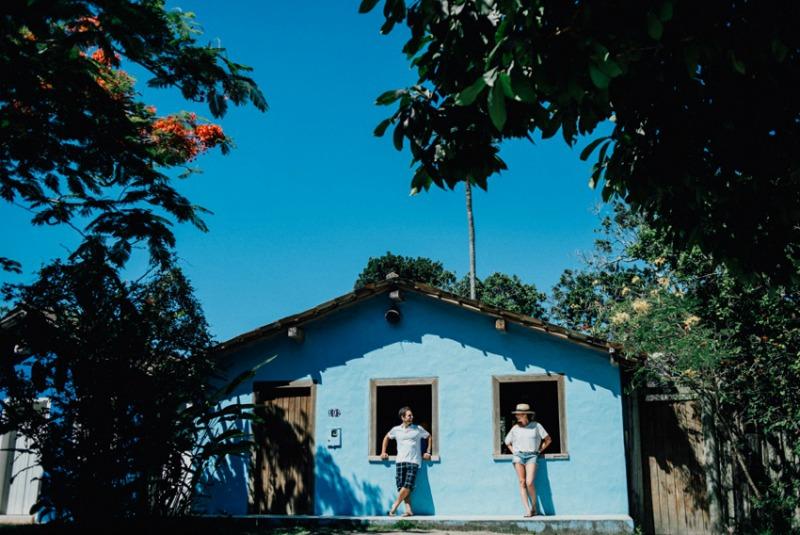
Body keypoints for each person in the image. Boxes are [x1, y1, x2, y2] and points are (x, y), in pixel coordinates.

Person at [380, 406, 432, 516]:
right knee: (402, 486)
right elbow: (386, 438)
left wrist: (428, 452)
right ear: (402, 417)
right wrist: (383, 452)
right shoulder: (396, 430)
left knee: (408, 485)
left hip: (413, 461)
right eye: (409, 416)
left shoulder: (418, 429)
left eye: (412, 415)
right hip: (400, 461)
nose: (411, 417)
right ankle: (408, 510)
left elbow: (429, 437)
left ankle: (394, 506)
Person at [504, 403, 552, 517]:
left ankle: (534, 507)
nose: (517, 416)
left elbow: (548, 440)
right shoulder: (515, 428)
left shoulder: (536, 426)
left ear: (525, 414)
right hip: (518, 456)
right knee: (522, 482)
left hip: (532, 455)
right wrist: (514, 452)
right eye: (516, 414)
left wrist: (540, 450)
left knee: (529, 482)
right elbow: (507, 441)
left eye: (519, 414)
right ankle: (527, 510)